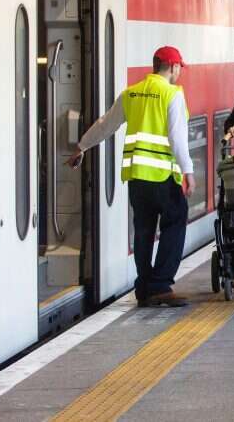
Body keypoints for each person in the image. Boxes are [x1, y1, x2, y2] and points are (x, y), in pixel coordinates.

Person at [67, 46, 195, 308]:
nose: (179, 72)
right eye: (179, 67)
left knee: (144, 231)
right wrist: (188, 171)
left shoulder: (131, 94)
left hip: (137, 178)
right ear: (172, 67)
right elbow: (177, 139)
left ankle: (144, 287)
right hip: (161, 175)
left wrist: (82, 146)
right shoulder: (172, 94)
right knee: (177, 218)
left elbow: (105, 125)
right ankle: (160, 285)